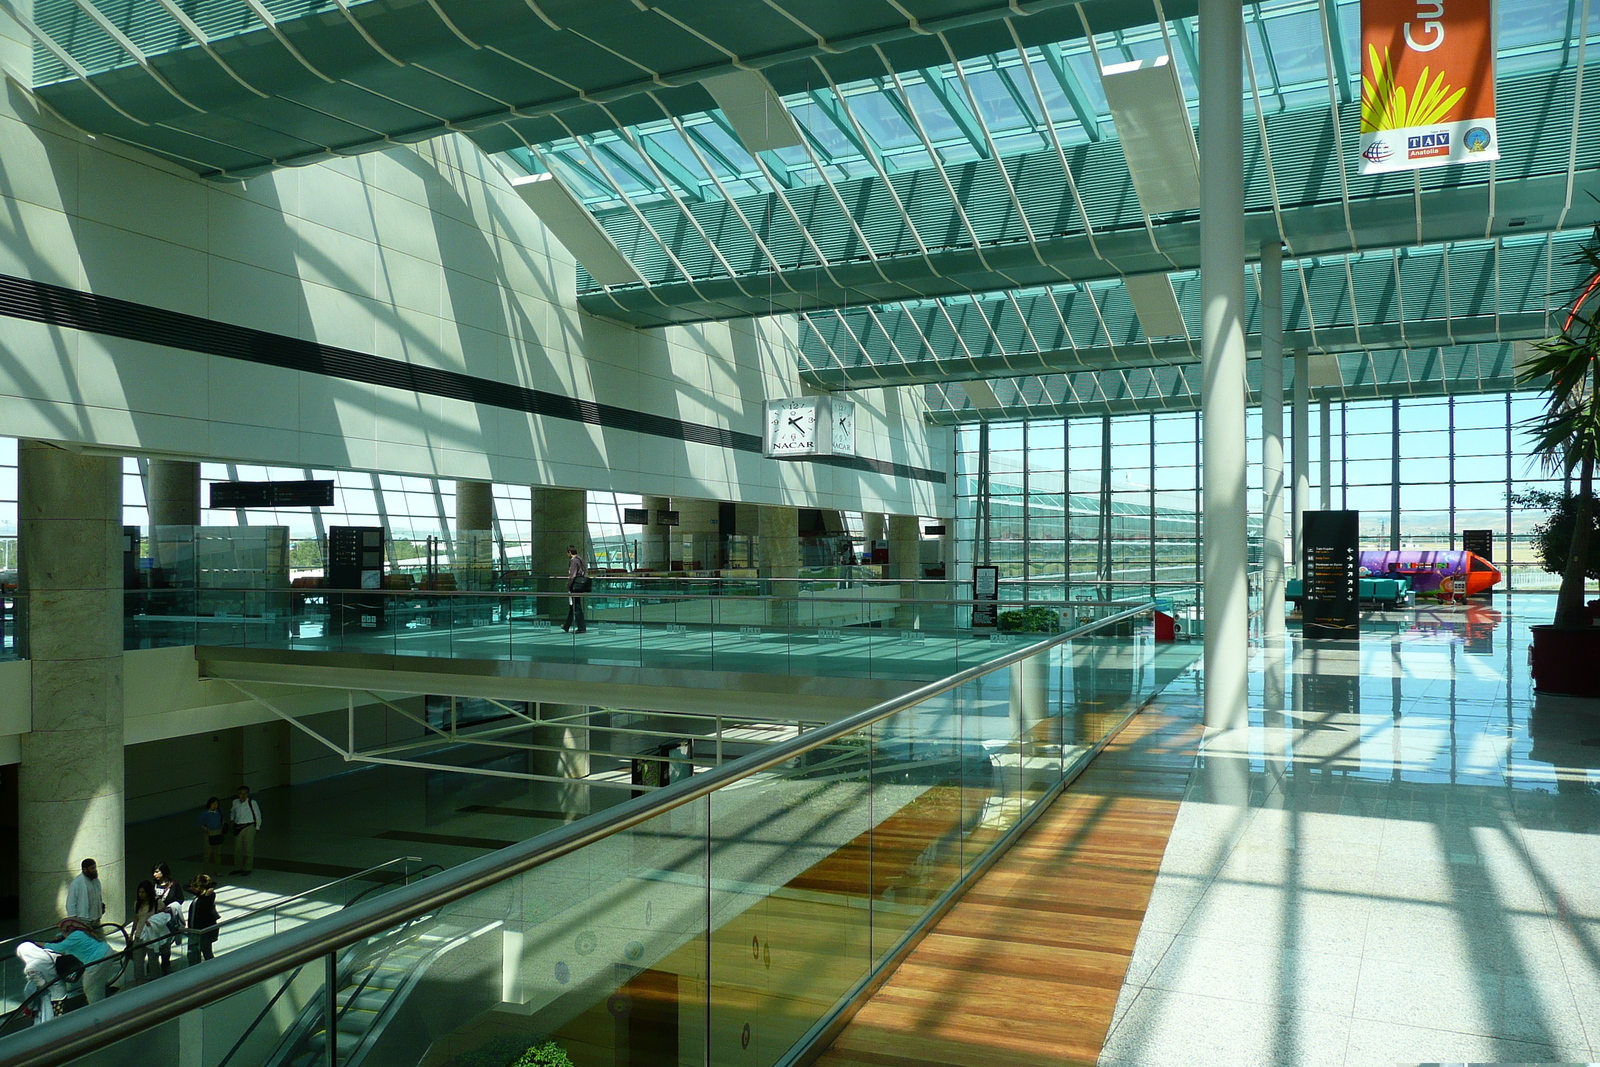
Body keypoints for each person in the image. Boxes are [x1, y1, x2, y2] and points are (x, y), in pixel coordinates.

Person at [15, 919, 114, 1023]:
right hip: (105, 953)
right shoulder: (79, 933)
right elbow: (62, 945)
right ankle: (102, 1005)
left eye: (62, 930)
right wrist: (60, 935)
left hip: (97, 961)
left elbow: (58, 947)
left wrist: (40, 943)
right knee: (98, 984)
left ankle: (99, 1014)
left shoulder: (74, 937)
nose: (60, 932)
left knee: (90, 989)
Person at [151, 862, 185, 975]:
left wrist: (171, 908)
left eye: (157, 872)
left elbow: (180, 899)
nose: (155, 874)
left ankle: (166, 965)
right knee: (155, 943)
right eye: (154, 872)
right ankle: (152, 966)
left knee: (166, 944)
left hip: (168, 919)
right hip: (155, 919)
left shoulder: (174, 884)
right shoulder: (153, 885)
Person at [228, 786, 262, 876]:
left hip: (249, 826)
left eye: (244, 793)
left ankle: (248, 868)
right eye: (240, 793)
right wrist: (232, 819)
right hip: (238, 827)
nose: (242, 795)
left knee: (248, 848)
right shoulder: (235, 802)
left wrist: (257, 827)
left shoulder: (252, 802)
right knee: (237, 849)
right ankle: (237, 867)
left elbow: (258, 815)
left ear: (247, 794)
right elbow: (232, 812)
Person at [187, 875, 220, 963]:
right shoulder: (199, 895)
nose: (192, 888)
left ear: (200, 887)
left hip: (205, 930)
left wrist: (208, 892)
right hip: (195, 930)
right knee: (194, 954)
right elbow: (185, 887)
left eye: (194, 886)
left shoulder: (208, 898)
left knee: (207, 952)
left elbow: (206, 909)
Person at [563, 545, 588, 633]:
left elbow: (572, 575)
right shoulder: (581, 560)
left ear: (569, 552)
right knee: (573, 605)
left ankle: (581, 627)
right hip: (580, 585)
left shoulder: (574, 561)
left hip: (574, 586)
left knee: (576, 606)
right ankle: (567, 625)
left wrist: (569, 584)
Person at [197, 796, 224, 874]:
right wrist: (205, 828)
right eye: (213, 804)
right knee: (207, 853)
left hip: (218, 832)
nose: (215, 806)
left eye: (216, 804)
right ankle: (206, 871)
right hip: (209, 833)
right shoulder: (205, 813)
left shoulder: (220, 811)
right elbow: (199, 822)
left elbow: (223, 819)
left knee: (217, 853)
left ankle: (217, 870)